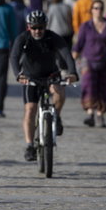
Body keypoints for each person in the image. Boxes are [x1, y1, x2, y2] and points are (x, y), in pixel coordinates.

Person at [10, 10, 78, 161]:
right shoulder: (23, 38)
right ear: (29, 27)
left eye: (40, 27)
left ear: (45, 26)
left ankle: (57, 117)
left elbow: (66, 53)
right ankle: (29, 145)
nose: (37, 31)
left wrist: (72, 72)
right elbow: (14, 56)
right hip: (30, 77)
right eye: (33, 28)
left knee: (59, 92)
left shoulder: (53, 37)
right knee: (30, 109)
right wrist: (18, 75)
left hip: (51, 75)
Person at [72, 0, 106, 128]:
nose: (98, 10)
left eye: (100, 8)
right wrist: (70, 62)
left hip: (105, 61)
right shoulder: (86, 26)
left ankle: (100, 114)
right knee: (89, 87)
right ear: (91, 10)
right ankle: (90, 113)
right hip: (88, 61)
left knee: (103, 88)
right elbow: (78, 45)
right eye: (96, 8)